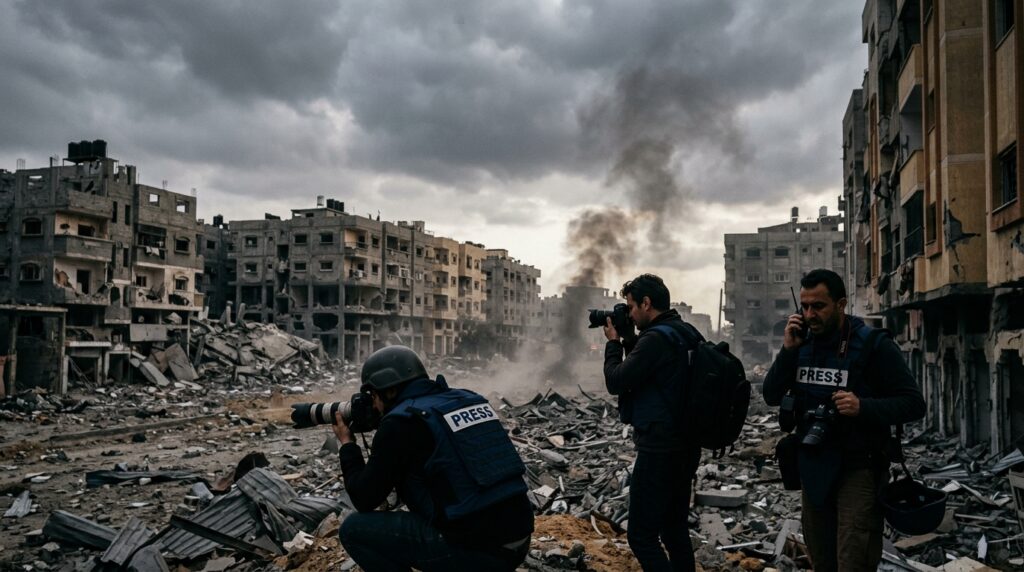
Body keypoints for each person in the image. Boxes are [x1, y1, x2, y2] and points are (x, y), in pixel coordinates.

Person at [762, 269, 925, 571]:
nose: (810, 315)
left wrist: (862, 407)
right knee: (822, 561)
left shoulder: (873, 345)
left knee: (853, 561)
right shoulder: (800, 344)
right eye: (805, 307)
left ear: (840, 304)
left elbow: (914, 404)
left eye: (818, 306)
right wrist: (787, 351)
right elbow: (771, 395)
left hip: (858, 468)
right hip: (814, 467)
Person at [332, 345, 533, 572]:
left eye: (374, 396)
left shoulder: (401, 423)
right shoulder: (469, 399)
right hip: (519, 540)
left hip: (477, 552)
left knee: (353, 530)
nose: (373, 405)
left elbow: (363, 498)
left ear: (389, 391)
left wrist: (348, 445)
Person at [603, 273, 702, 572]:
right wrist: (630, 339)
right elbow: (651, 370)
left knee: (641, 537)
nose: (630, 314)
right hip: (686, 445)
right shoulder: (686, 332)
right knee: (674, 530)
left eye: (632, 307)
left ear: (646, 303)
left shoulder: (656, 339)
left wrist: (613, 344)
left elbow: (616, 381)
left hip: (659, 448)